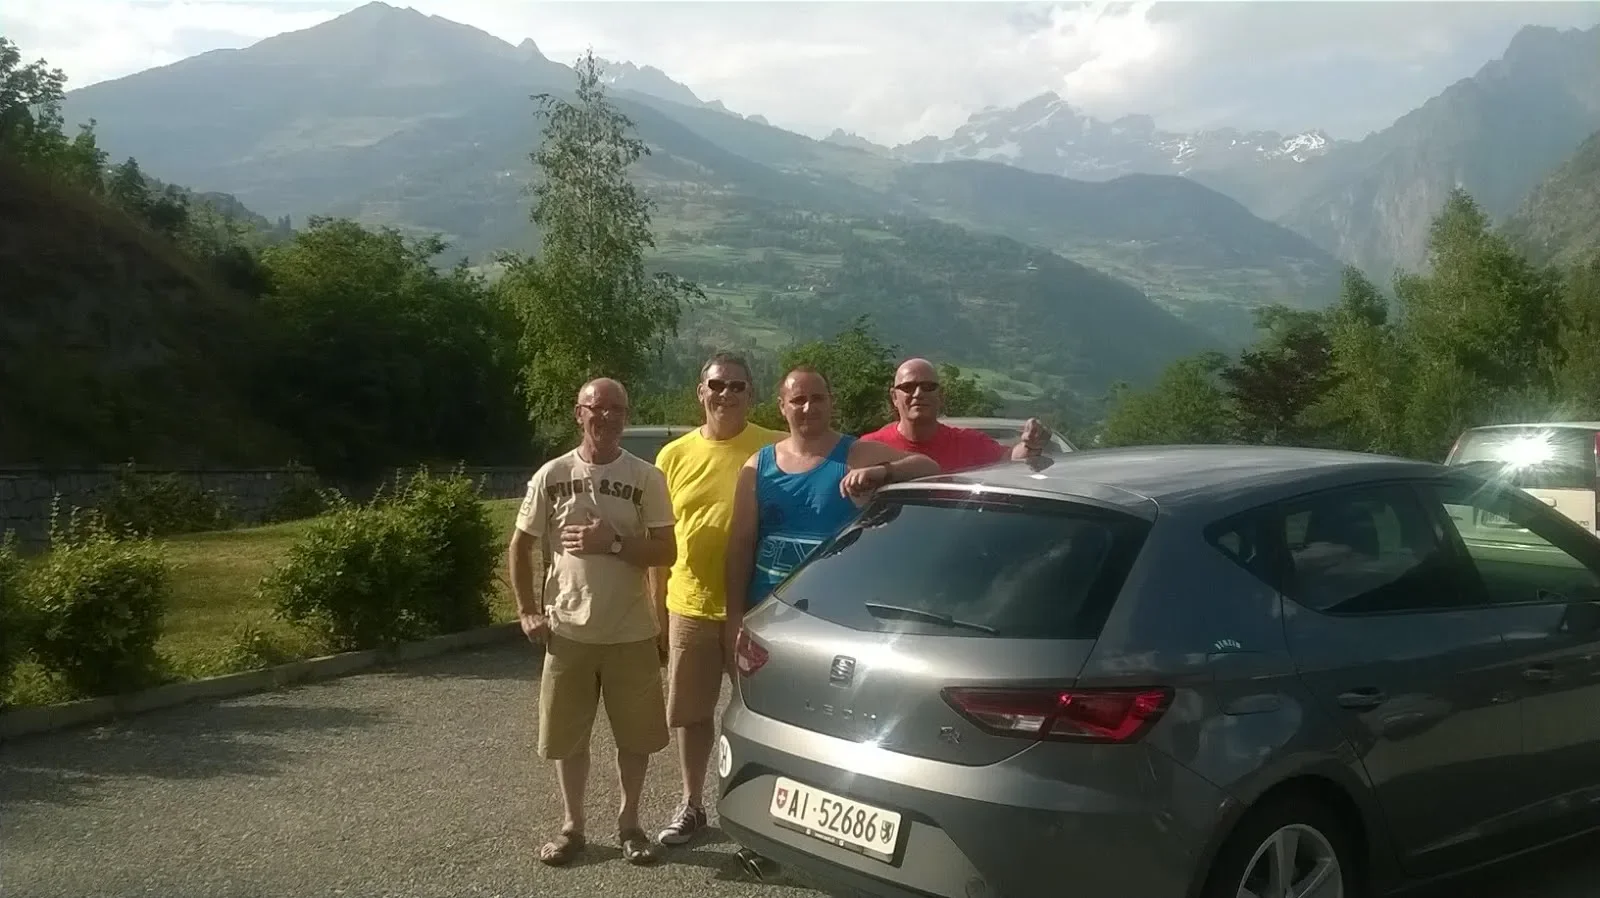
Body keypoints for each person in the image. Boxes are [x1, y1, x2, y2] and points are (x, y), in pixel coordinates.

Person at [507, 377, 677, 869]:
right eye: (595, 408)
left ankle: (630, 824)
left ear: (626, 415)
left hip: (631, 630)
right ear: (578, 413)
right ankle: (572, 826)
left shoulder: (647, 477)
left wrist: (615, 543)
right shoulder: (551, 474)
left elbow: (667, 549)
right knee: (567, 736)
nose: (606, 418)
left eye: (616, 409)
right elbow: (520, 545)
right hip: (568, 631)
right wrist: (526, 610)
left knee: (636, 738)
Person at [650, 352, 783, 847]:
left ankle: (760, 819)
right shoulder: (672, 456)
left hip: (758, 610)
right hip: (688, 605)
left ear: (753, 394)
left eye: (737, 386)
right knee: (690, 713)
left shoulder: (775, 447)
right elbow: (660, 541)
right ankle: (691, 804)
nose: (726, 394)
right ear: (700, 391)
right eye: (717, 385)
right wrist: (657, 615)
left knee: (762, 715)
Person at [723, 366, 940, 654]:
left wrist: (882, 472)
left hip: (838, 620)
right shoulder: (757, 466)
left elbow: (928, 468)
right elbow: (740, 546)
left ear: (830, 402)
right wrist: (735, 617)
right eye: (798, 400)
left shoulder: (856, 453)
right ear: (782, 407)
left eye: (817, 398)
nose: (808, 407)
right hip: (769, 616)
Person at [860, 357, 1053, 473]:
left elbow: (1010, 459)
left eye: (928, 387)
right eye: (908, 387)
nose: (918, 394)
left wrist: (1030, 445)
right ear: (894, 396)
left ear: (940, 395)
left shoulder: (969, 444)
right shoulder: (868, 448)